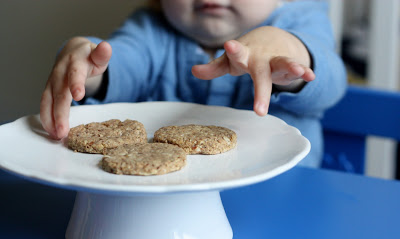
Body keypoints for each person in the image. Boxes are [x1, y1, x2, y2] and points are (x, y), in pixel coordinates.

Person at [40, 0, 347, 167]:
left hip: (281, 201)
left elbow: (331, 83)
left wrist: (290, 51)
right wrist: (91, 70)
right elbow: (124, 61)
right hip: (162, 208)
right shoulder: (152, 29)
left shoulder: (301, 19)